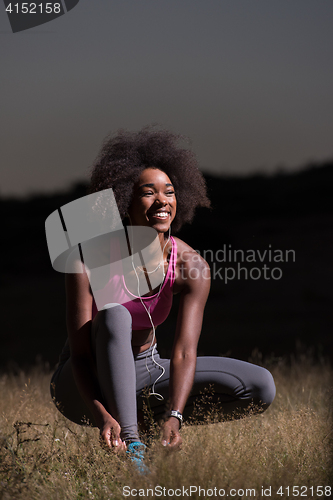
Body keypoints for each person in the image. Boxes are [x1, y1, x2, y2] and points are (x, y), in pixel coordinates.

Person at [50, 128, 275, 467]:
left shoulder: (191, 266)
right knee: (115, 315)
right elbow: (81, 355)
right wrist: (102, 416)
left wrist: (175, 414)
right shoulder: (86, 259)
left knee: (261, 386)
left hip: (146, 370)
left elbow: (185, 350)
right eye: (148, 192)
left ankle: (149, 426)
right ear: (124, 200)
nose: (162, 201)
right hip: (83, 383)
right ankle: (133, 447)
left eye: (169, 192)